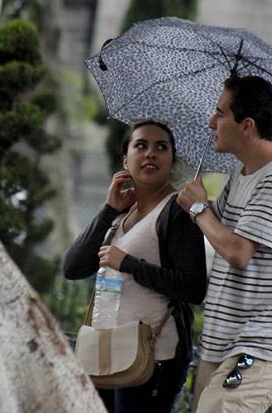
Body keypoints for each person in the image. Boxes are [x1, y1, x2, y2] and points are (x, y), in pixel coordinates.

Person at [177, 75, 272, 413]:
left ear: (247, 125)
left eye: (220, 113)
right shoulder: (243, 172)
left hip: (258, 345)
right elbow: (217, 233)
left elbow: (238, 252)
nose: (212, 122)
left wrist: (198, 208)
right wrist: (196, 205)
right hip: (223, 341)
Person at [62, 120, 207, 413]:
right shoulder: (119, 215)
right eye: (141, 145)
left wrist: (127, 263)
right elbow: (72, 267)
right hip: (107, 349)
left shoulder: (175, 211)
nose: (150, 153)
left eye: (161, 147)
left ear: (172, 161)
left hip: (153, 356)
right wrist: (107, 210)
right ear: (126, 160)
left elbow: (194, 288)